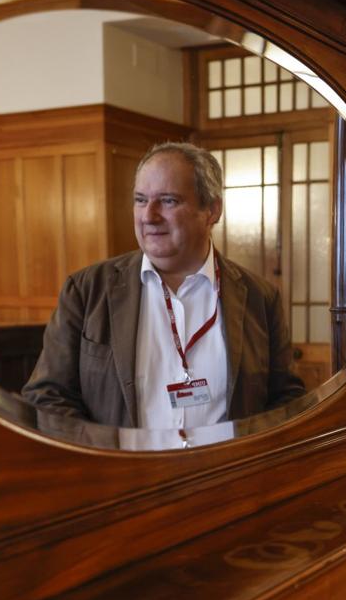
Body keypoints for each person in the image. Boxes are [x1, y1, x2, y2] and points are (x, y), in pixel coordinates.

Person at [23, 142, 304, 428]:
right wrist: (106, 457)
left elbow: (286, 399)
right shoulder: (86, 291)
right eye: (141, 200)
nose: (148, 216)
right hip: (123, 470)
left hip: (226, 471)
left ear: (212, 210)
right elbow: (47, 396)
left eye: (168, 201)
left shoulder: (260, 298)